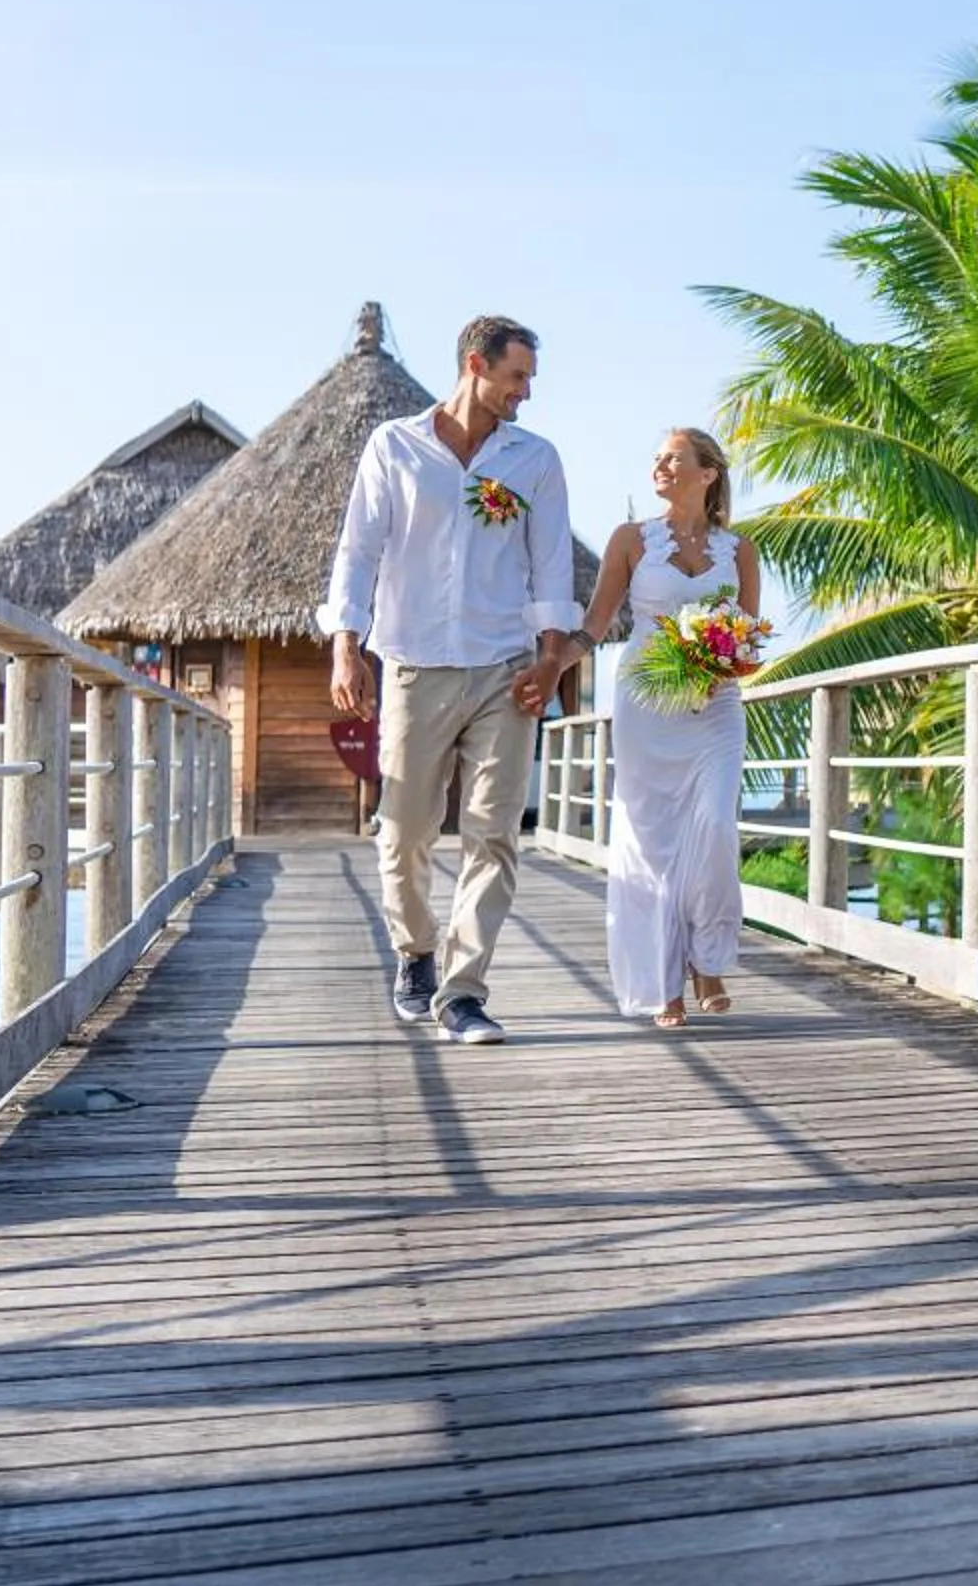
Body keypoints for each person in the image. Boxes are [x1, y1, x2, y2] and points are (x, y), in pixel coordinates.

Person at [320, 315, 582, 1045]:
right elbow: (359, 550)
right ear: (477, 364)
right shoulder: (393, 446)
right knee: (402, 830)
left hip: (505, 668)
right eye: (516, 377)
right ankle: (416, 954)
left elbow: (552, 563)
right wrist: (347, 647)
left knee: (493, 834)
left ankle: (464, 994)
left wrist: (551, 658)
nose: (525, 394)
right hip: (413, 665)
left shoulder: (536, 459)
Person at [572, 427, 759, 1029]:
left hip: (717, 705)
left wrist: (721, 663)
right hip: (647, 702)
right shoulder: (631, 539)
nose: (659, 466)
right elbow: (598, 621)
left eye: (672, 458)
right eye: (655, 458)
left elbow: (751, 635)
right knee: (652, 842)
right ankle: (663, 981)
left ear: (707, 474)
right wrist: (552, 659)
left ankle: (708, 958)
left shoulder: (741, 551)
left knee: (715, 825)